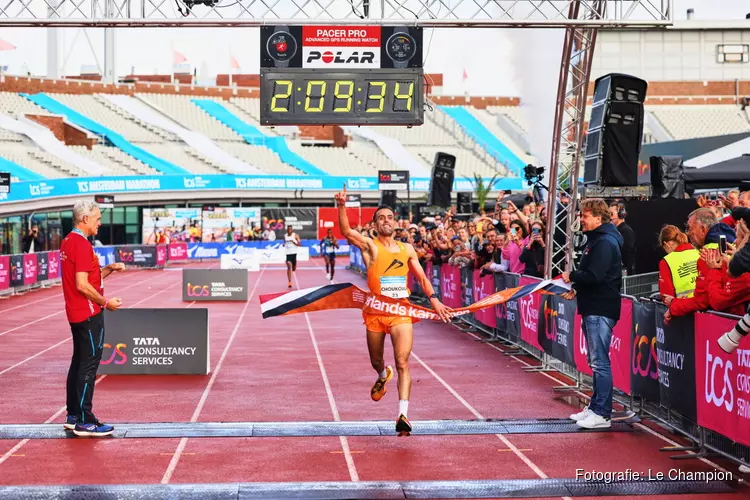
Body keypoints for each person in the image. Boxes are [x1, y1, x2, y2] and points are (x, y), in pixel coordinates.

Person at [334, 186, 452, 436]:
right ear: (375, 225)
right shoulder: (370, 246)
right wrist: (342, 206)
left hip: (400, 312)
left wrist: (435, 300)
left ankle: (403, 414)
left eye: (389, 217)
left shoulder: (407, 249)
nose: (386, 221)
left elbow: (421, 277)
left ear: (395, 222)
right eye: (381, 218)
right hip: (376, 312)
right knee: (377, 359)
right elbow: (346, 231)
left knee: (402, 361)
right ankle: (381, 373)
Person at [60, 200, 125, 437]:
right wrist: (106, 303)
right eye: (97, 218)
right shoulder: (81, 244)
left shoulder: (69, 241)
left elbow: (87, 276)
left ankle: (73, 415)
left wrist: (110, 269)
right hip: (88, 314)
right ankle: (85, 420)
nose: (100, 223)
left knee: (78, 362)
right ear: (85, 219)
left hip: (76, 312)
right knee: (88, 365)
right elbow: (82, 284)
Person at [562, 198, 623, 430]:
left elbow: (595, 275)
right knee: (596, 361)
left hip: (600, 307)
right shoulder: (599, 241)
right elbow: (595, 275)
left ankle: (602, 413)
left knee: (599, 362)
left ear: (598, 217)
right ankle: (596, 407)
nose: (581, 220)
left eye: (585, 216)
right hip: (593, 306)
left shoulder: (605, 242)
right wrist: (577, 288)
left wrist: (573, 277)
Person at [657, 224, 699, 302]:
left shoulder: (667, 261)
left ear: (666, 244)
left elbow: (666, 296)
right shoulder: (698, 252)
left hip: (682, 309)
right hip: (705, 307)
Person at [609, 202, 636, 276]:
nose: (609, 217)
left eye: (611, 214)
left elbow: (627, 254)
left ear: (621, 214)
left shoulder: (626, 231)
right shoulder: (614, 230)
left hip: (622, 272)